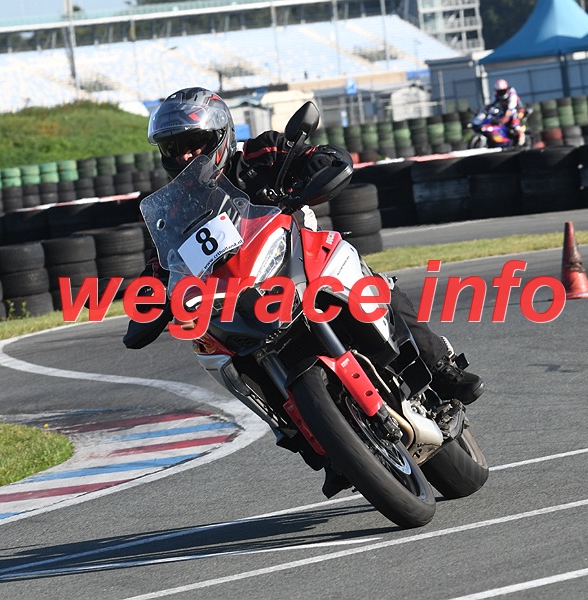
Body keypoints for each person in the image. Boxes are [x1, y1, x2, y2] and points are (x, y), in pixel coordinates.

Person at [124, 87, 485, 497]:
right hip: (238, 300)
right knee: (218, 353)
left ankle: (440, 367)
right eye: (174, 148)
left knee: (367, 279)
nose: (186, 155)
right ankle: (318, 441)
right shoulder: (174, 210)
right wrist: (150, 301)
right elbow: (161, 265)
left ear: (220, 135)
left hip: (298, 258)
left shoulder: (261, 154)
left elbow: (320, 156)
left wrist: (315, 169)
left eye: (194, 142)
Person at [490, 79, 525, 146]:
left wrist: (505, 118)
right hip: (504, 112)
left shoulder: (512, 94)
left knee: (515, 124)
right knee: (495, 121)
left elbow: (511, 108)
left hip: (517, 110)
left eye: (502, 91)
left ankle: (521, 137)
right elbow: (490, 104)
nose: (501, 93)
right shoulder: (496, 95)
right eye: (499, 91)